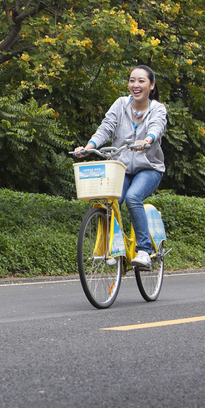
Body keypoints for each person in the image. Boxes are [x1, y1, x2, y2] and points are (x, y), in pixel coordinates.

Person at [74, 65, 167, 270]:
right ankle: (113, 246)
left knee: (133, 197)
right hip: (122, 167)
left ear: (151, 85)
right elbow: (105, 128)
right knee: (111, 200)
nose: (135, 85)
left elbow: (157, 128)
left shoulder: (157, 109)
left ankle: (143, 250)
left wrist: (147, 140)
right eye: (132, 80)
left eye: (141, 81)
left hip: (149, 168)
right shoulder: (120, 104)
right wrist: (88, 148)